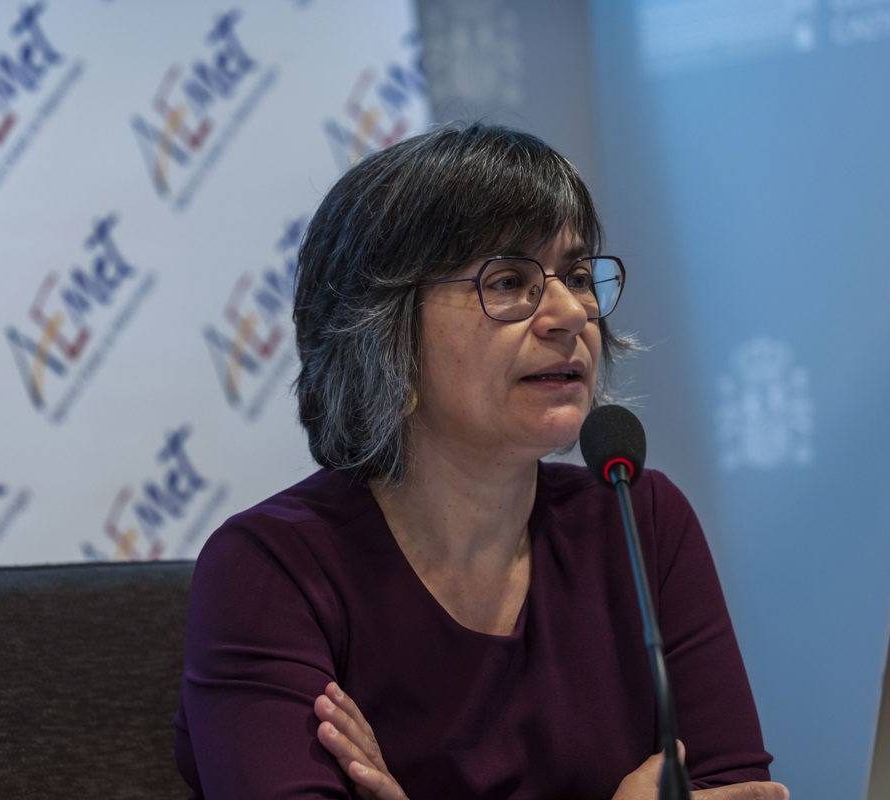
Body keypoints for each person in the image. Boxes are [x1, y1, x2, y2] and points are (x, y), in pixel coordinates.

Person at [173, 123, 787, 799]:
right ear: (384, 330)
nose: (570, 313)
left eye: (578, 276)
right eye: (509, 281)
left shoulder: (642, 522)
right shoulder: (272, 568)